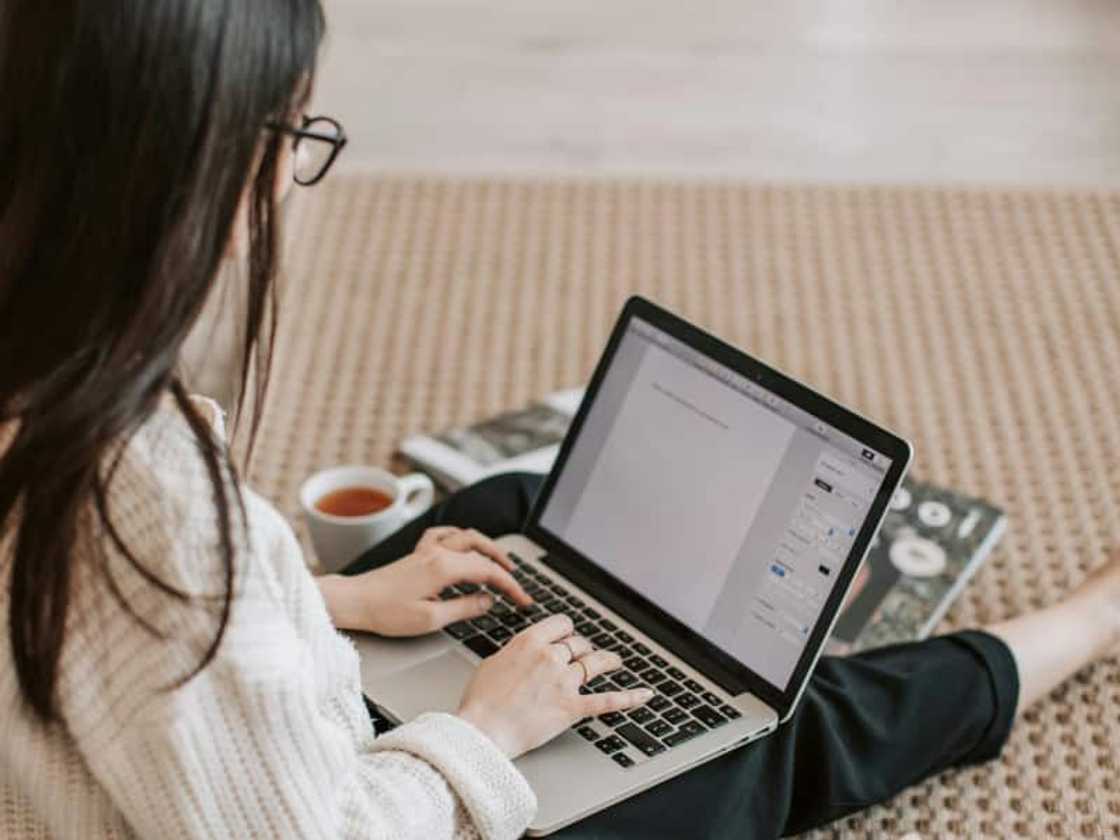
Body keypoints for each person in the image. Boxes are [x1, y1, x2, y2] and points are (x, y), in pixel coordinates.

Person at [0, 3, 1116, 838]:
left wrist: (336, 601)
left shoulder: (51, 413)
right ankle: (1083, 625)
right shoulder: (155, 508)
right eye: (297, 135)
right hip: (380, 800)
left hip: (212, 751)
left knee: (507, 517)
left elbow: (133, 657)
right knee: (784, 731)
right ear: (204, 171)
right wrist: (489, 730)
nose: (297, 173)